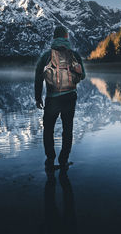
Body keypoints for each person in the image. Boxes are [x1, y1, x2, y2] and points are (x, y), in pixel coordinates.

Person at [35, 26, 86, 171]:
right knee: (67, 129)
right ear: (66, 37)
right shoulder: (74, 54)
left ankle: (50, 158)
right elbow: (82, 76)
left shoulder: (46, 55)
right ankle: (64, 160)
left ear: (54, 37)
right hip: (70, 97)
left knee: (48, 129)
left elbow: (38, 78)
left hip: (52, 98)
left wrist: (38, 98)